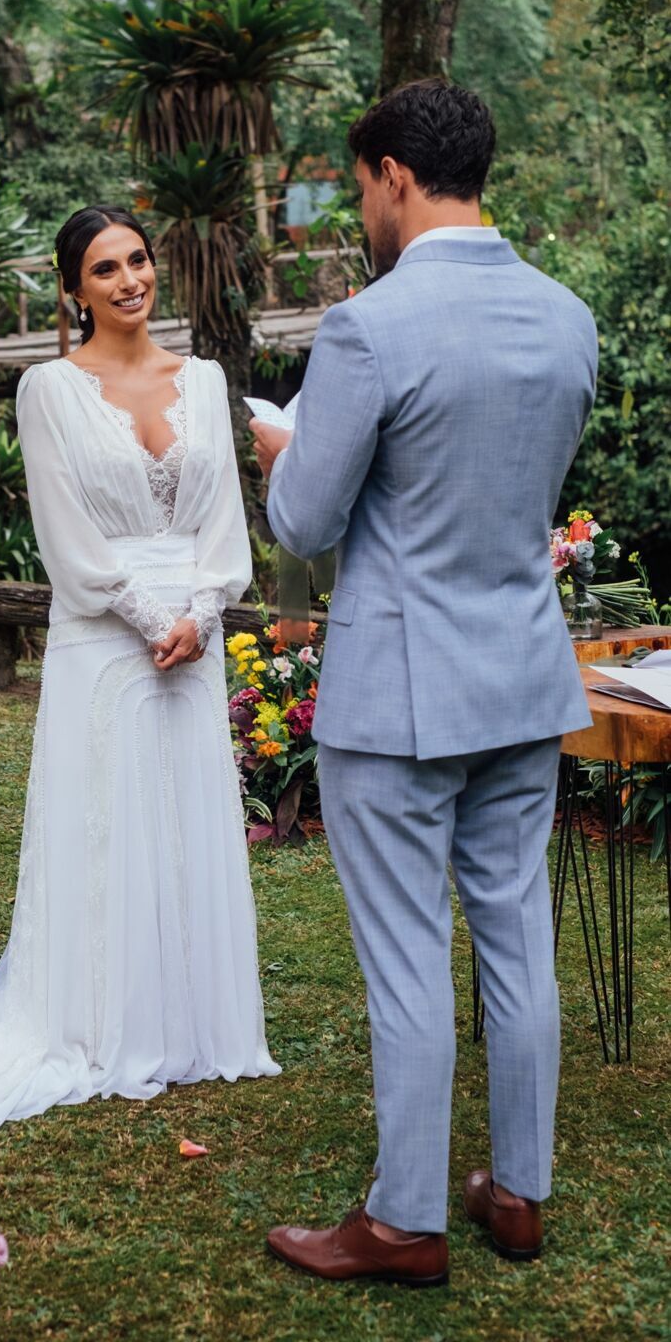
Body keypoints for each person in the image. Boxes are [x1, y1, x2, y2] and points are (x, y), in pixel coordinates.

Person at [253, 81, 597, 1285]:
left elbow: (302, 521)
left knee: (405, 956)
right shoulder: (566, 318)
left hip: (397, 696)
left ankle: (402, 1220)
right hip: (518, 677)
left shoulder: (367, 326)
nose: (361, 209)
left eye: (358, 186)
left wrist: (278, 446)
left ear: (394, 174)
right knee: (516, 940)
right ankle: (518, 1193)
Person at [0, 205, 279, 1154]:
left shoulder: (205, 382)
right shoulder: (48, 390)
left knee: (184, 822)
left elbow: (223, 526)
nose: (129, 280)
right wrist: (144, 618)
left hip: (194, 637)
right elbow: (64, 538)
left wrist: (202, 617)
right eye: (104, 269)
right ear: (73, 290)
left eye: (137, 260)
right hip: (103, 632)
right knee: (107, 825)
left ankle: (198, 1027)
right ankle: (97, 1026)